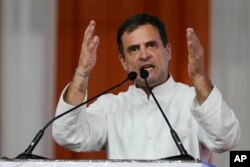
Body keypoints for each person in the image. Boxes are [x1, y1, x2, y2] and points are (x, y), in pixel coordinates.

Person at [52, 13, 240, 162]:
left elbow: (226, 138)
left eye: (151, 45)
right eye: (133, 49)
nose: (144, 55)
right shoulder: (110, 107)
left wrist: (199, 78)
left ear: (168, 51)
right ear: (123, 62)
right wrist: (82, 71)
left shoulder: (193, 100)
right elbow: (67, 134)